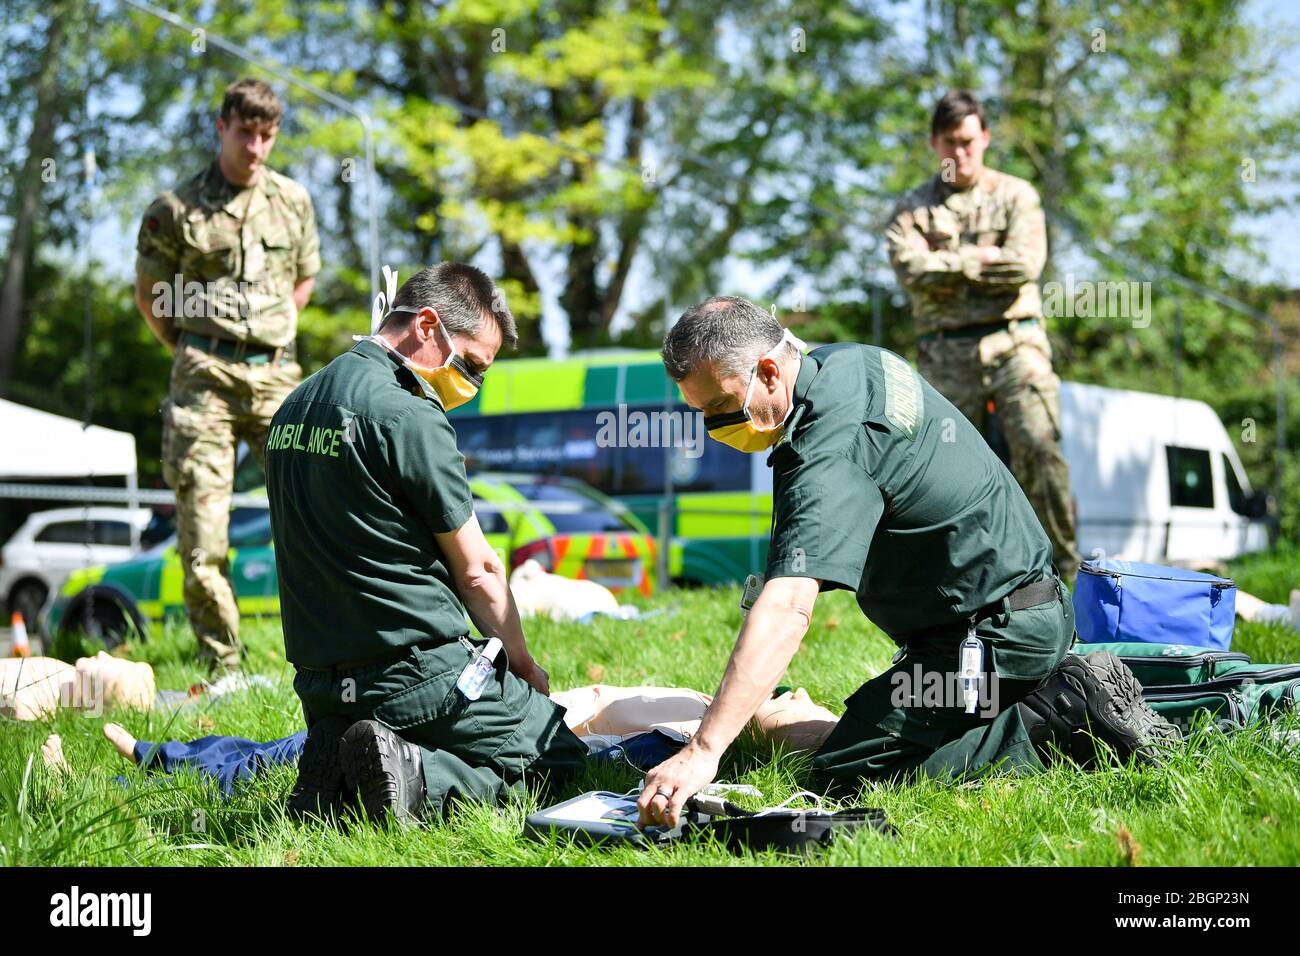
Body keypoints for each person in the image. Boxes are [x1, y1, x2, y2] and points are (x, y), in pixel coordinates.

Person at [639, 296, 1179, 828]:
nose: (712, 426)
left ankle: (1050, 716)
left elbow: (788, 607)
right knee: (858, 733)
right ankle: (1033, 691)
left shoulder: (829, 446)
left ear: (770, 372)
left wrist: (705, 749)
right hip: (1012, 611)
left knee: (845, 775)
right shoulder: (848, 362)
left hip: (990, 637)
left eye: (719, 407)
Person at [265, 263, 590, 825]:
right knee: (556, 756)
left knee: (473, 740)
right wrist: (521, 663)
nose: (472, 386)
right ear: (426, 325)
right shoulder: (411, 414)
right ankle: (417, 778)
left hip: (317, 681)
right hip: (414, 674)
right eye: (472, 366)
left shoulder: (294, 406)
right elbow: (479, 571)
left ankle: (339, 770)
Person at [134, 78, 321, 672]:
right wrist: (196, 347)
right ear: (222, 127)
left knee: (312, 511)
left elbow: (304, 281)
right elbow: (151, 296)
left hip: (276, 375)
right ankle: (224, 666)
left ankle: (324, 655)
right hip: (204, 378)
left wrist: (268, 336)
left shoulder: (294, 201)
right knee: (203, 533)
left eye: (267, 135)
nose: (257, 147)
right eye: (246, 132)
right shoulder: (176, 208)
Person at [885, 90, 1080, 579]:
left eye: (969, 141)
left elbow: (1023, 266)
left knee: (1039, 445)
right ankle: (962, 583)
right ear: (934, 143)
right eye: (950, 142)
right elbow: (909, 269)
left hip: (1016, 342)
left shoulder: (1017, 195)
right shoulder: (912, 209)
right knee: (944, 468)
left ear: (986, 138)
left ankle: (1065, 574)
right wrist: (978, 260)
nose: (961, 153)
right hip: (945, 351)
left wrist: (944, 266)